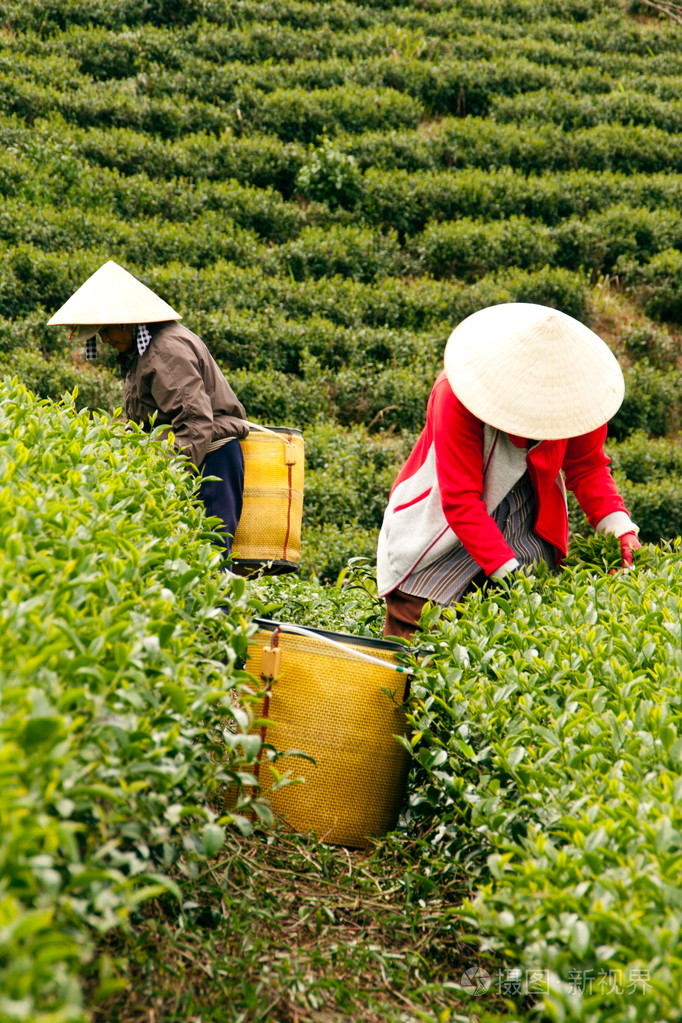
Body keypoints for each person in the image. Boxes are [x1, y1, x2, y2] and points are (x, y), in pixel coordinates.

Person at [376, 302, 641, 640]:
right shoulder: (457, 392)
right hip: (442, 532)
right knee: (420, 639)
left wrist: (619, 528)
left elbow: (587, 468)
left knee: (523, 650)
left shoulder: (578, 398)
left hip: (526, 525)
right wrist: (511, 579)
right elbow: (460, 501)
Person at [48, 259, 249, 555]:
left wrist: (165, 475)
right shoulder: (140, 351)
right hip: (194, 455)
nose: (103, 338)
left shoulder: (165, 352)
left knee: (209, 556)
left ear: (127, 322)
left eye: (105, 329)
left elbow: (194, 425)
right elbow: (147, 417)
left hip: (210, 459)